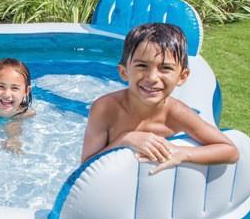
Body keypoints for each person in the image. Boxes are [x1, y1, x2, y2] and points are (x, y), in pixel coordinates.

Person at [81, 22, 239, 173]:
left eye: (165, 68)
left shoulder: (177, 113)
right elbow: (85, 167)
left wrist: (183, 153)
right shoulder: (105, 108)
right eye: (142, 66)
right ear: (124, 72)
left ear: (182, 77)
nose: (152, 78)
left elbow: (230, 151)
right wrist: (125, 139)